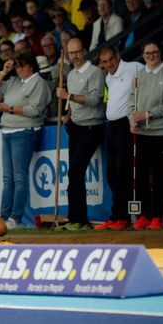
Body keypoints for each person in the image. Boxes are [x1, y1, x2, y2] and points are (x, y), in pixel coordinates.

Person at [0, 51, 51, 228]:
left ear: (31, 66)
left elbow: (35, 109)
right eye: (17, 65)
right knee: (8, 178)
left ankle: (15, 218)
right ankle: (3, 217)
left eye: (22, 65)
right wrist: (3, 72)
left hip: (25, 131)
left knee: (19, 177)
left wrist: (10, 109)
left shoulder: (39, 83)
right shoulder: (14, 81)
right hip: (8, 131)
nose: (19, 69)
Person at [56, 37, 105, 230]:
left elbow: (95, 99)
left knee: (76, 171)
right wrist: (68, 114)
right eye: (71, 53)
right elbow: (73, 103)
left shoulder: (95, 72)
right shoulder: (71, 74)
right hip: (75, 126)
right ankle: (73, 218)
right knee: (73, 173)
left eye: (77, 52)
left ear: (84, 51)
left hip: (92, 127)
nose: (74, 56)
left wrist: (68, 96)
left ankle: (81, 220)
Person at [127, 41, 163, 230]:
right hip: (143, 133)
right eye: (147, 53)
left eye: (154, 52)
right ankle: (144, 215)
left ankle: (156, 216)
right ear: (143, 55)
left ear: (161, 53)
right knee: (140, 176)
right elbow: (131, 100)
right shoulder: (139, 75)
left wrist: (148, 114)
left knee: (160, 175)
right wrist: (132, 119)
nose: (151, 56)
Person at [95, 46, 144, 230]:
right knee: (112, 175)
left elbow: (148, 84)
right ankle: (116, 215)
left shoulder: (134, 68)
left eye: (111, 59)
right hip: (112, 127)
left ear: (117, 56)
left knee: (124, 173)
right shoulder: (108, 77)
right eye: (105, 61)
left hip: (126, 125)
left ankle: (123, 217)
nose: (109, 64)